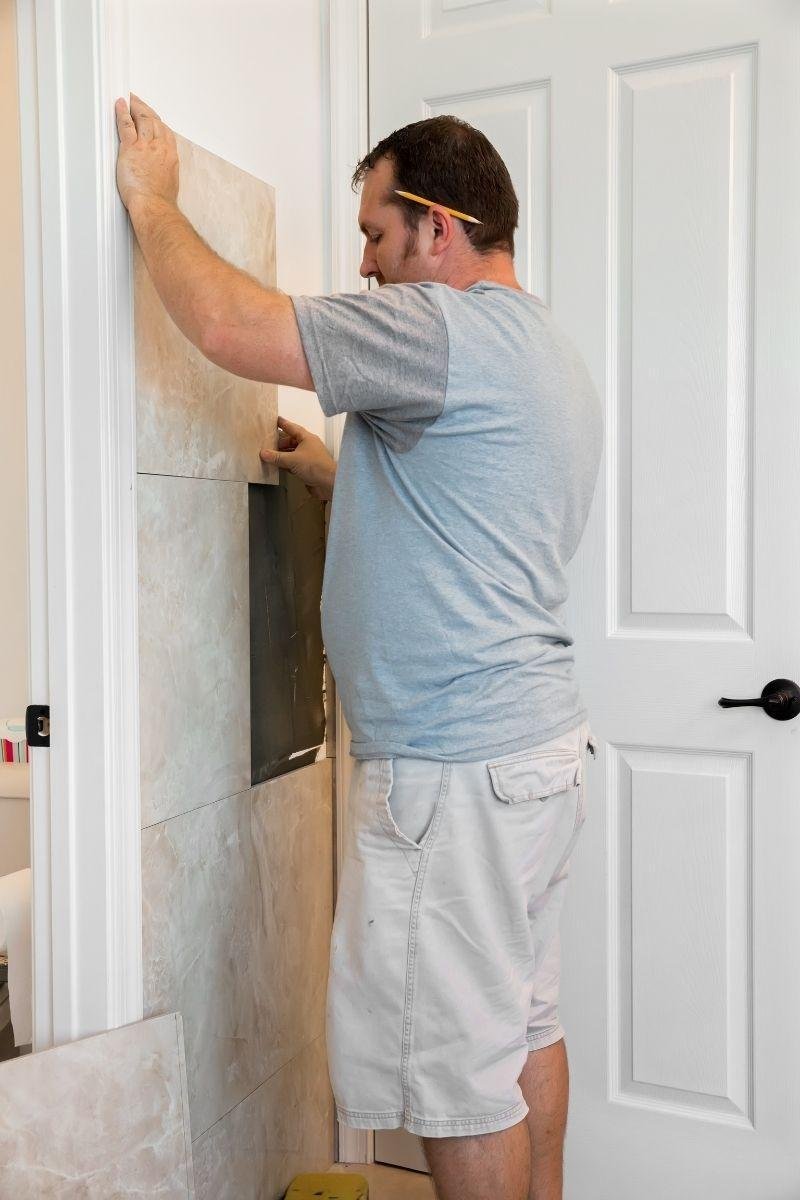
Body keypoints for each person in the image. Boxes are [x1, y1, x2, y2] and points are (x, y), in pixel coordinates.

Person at [115, 93, 602, 1200]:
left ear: (438, 227)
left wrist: (150, 199)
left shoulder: (437, 329)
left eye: (378, 235)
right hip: (531, 756)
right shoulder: (547, 355)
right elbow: (473, 520)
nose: (369, 268)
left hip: (454, 771)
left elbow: (232, 328)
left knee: (455, 1076)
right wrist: (337, 472)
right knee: (524, 1025)